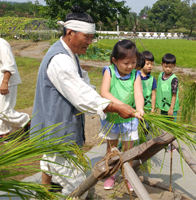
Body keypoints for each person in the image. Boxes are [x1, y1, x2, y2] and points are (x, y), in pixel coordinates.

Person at [30, 6, 138, 198]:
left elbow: (83, 83)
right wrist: (113, 106)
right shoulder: (60, 60)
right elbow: (81, 96)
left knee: (50, 160)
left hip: (53, 126)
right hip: (58, 130)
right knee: (78, 184)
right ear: (70, 33)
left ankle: (44, 190)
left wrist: (106, 101)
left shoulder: (69, 54)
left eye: (91, 37)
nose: (90, 42)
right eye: (87, 37)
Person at [99, 40, 144, 192]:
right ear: (114, 60)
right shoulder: (109, 71)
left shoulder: (136, 74)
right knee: (111, 149)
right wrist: (121, 107)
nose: (130, 66)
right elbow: (104, 93)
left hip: (130, 119)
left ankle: (128, 176)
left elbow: (138, 94)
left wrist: (139, 109)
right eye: (126, 63)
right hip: (113, 118)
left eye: (133, 62)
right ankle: (111, 174)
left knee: (128, 151)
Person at [0, 16, 30, 144]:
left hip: (5, 83)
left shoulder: (1, 43)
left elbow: (9, 64)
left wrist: (5, 82)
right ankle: (4, 134)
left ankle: (28, 121)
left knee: (4, 112)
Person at [156, 53, 179, 119]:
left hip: (171, 109)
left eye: (170, 67)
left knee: (170, 126)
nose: (168, 69)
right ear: (162, 64)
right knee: (163, 126)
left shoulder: (174, 79)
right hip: (163, 107)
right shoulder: (161, 75)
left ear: (174, 66)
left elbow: (174, 94)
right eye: (166, 66)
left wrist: (171, 108)